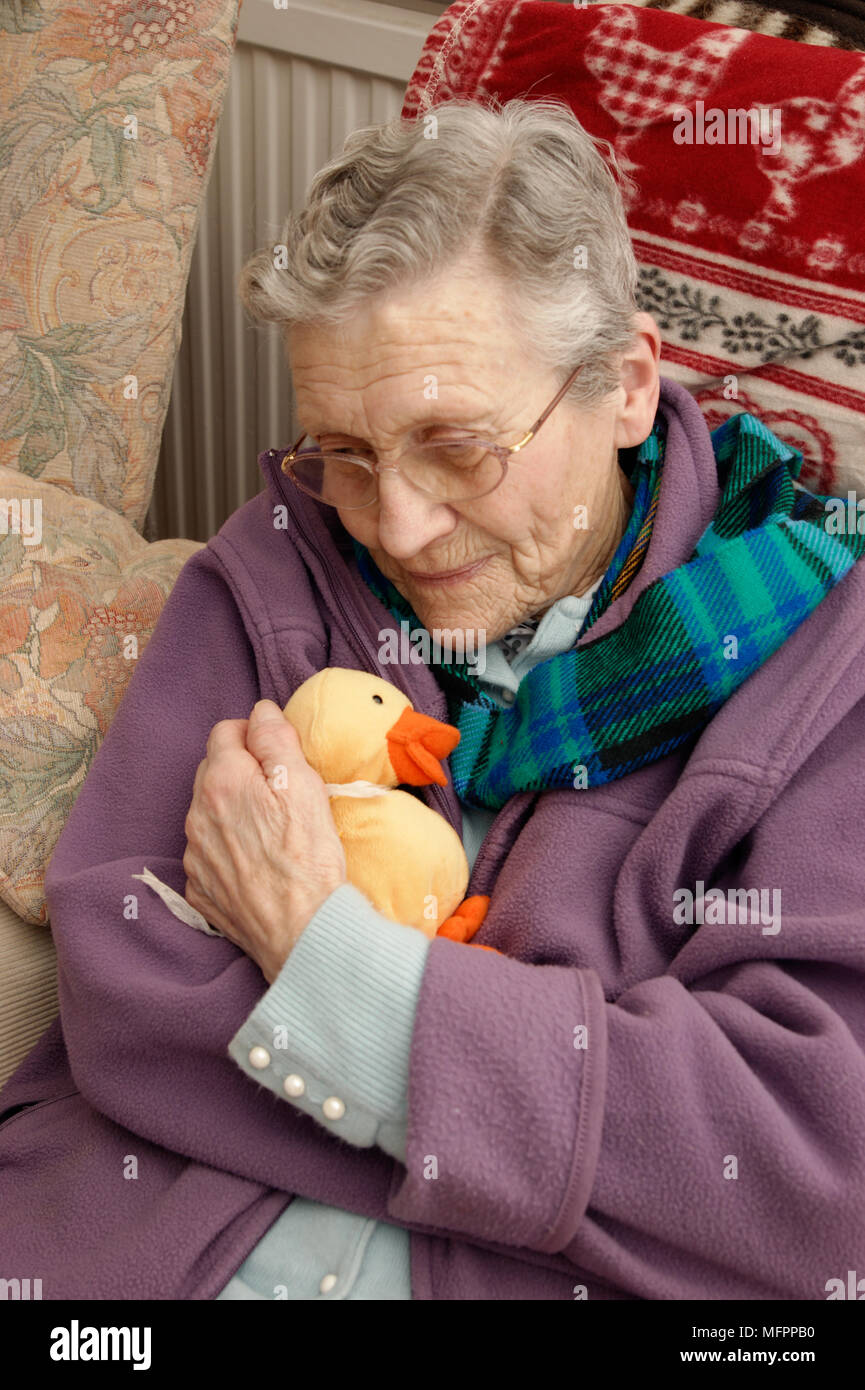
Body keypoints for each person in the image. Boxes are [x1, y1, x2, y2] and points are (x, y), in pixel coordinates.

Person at [1, 97, 864, 1301]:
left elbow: (805, 1170)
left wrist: (316, 958)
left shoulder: (824, 661)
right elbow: (125, 993)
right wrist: (555, 1146)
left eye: (457, 445)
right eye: (344, 449)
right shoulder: (277, 563)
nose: (394, 524)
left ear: (622, 386)